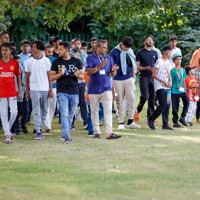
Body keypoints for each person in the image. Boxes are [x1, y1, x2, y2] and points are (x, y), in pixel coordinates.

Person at [86, 39, 121, 139]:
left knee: (108, 110)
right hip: (93, 89)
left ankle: (109, 133)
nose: (106, 49)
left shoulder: (109, 58)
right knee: (94, 111)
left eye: (106, 47)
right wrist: (99, 66)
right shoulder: (90, 58)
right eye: (104, 47)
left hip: (106, 87)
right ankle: (97, 132)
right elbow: (88, 72)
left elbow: (112, 74)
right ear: (97, 47)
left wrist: (113, 71)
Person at [49, 41, 84, 144]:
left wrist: (78, 75)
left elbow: (82, 76)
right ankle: (67, 137)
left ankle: (65, 135)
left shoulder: (77, 61)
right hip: (62, 92)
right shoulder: (56, 62)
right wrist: (60, 73)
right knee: (64, 114)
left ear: (67, 50)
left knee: (70, 115)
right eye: (58, 49)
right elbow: (51, 77)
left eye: (60, 49)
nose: (58, 51)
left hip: (74, 92)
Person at [110, 36, 141, 130]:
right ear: (122, 44)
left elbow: (132, 63)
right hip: (117, 78)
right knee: (119, 100)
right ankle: (121, 122)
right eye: (125, 47)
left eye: (128, 47)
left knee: (131, 99)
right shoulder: (114, 51)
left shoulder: (130, 51)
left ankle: (131, 121)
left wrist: (133, 76)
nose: (126, 49)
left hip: (128, 78)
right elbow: (111, 66)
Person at [25, 40, 53, 140]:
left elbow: (49, 76)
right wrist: (27, 91)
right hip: (34, 89)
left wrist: (50, 89)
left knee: (44, 110)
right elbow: (27, 77)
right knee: (36, 110)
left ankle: (39, 126)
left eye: (35, 47)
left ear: (40, 49)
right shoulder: (29, 61)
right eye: (32, 47)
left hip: (45, 88)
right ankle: (38, 131)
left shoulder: (46, 61)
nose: (33, 49)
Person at [147, 45, 173, 130]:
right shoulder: (159, 62)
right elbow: (154, 75)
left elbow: (170, 74)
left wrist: (170, 82)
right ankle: (151, 119)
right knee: (163, 104)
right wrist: (164, 81)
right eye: (171, 53)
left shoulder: (169, 62)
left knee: (168, 104)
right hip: (160, 87)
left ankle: (165, 124)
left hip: (168, 87)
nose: (171, 54)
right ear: (168, 53)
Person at [0, 42, 21, 144]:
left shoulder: (14, 63)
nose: (4, 52)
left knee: (14, 112)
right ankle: (7, 135)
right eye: (3, 50)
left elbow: (18, 76)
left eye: (6, 50)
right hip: (1, 92)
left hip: (12, 91)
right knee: (3, 114)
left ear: (10, 51)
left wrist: (19, 90)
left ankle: (8, 128)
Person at [134, 35, 158, 120]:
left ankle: (150, 116)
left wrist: (154, 71)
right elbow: (137, 66)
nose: (150, 41)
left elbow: (156, 65)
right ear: (144, 41)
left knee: (152, 97)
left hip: (152, 77)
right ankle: (138, 110)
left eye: (151, 40)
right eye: (148, 40)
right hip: (143, 77)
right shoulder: (140, 52)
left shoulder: (155, 53)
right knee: (144, 96)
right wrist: (145, 68)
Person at [70, 38, 88, 130]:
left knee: (83, 103)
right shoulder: (69, 54)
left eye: (79, 44)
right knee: (73, 103)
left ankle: (86, 122)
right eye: (75, 44)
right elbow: (72, 65)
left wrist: (79, 58)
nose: (77, 45)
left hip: (82, 81)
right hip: (73, 82)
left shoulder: (83, 53)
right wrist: (76, 58)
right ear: (72, 45)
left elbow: (85, 63)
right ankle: (71, 123)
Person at [170, 53, 189, 127]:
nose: (179, 61)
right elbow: (171, 80)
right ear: (174, 61)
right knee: (175, 107)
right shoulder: (172, 71)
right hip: (174, 91)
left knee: (187, 102)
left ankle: (182, 117)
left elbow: (183, 80)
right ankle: (175, 122)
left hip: (182, 90)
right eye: (177, 60)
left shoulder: (183, 70)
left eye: (180, 59)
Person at [44, 45, 57, 132]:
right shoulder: (42, 60)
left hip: (55, 86)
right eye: (48, 52)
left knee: (53, 106)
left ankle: (49, 123)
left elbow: (58, 73)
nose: (50, 53)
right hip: (44, 86)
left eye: (51, 52)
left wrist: (53, 81)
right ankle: (48, 126)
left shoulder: (55, 60)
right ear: (45, 51)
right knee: (46, 106)